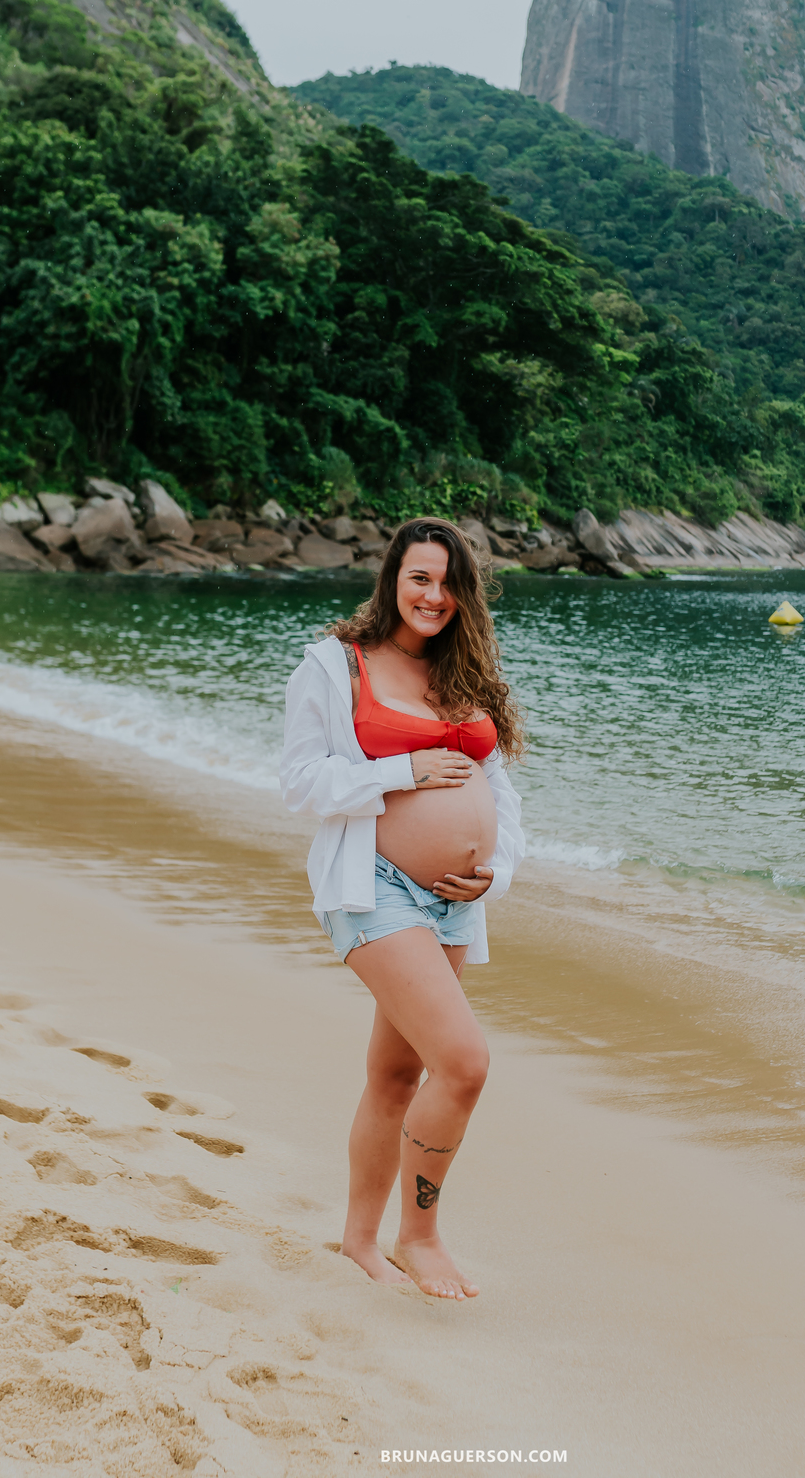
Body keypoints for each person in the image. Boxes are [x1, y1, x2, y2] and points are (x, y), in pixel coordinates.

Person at [281, 517, 525, 1300]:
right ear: (393, 579)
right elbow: (302, 783)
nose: (435, 595)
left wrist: (497, 871)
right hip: (373, 885)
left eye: (449, 583)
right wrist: (403, 769)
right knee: (465, 1063)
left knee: (396, 1073)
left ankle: (359, 1241)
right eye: (421, 577)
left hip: (453, 902)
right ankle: (419, 1237)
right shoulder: (333, 664)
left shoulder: (465, 675)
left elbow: (501, 794)